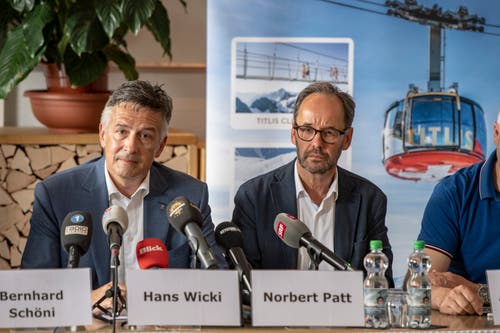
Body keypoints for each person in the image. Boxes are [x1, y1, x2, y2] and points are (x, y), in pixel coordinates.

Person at [21, 80, 224, 312]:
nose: (131, 146)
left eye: (145, 136)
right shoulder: (56, 195)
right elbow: (33, 292)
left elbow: (217, 282)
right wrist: (87, 301)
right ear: (102, 135)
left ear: (160, 146)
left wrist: (153, 299)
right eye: (121, 132)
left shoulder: (190, 196)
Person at [231, 81, 394, 285]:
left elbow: (380, 282)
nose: (317, 143)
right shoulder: (254, 197)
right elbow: (244, 285)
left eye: (329, 132)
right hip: (276, 316)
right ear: (293, 133)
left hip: (344, 316)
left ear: (347, 139)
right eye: (307, 130)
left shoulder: (370, 200)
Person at [416, 111, 500, 316]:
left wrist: (478, 291)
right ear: (497, 133)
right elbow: (420, 282)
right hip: (469, 323)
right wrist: (440, 297)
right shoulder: (454, 192)